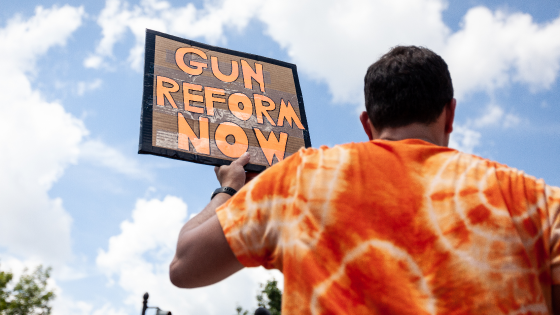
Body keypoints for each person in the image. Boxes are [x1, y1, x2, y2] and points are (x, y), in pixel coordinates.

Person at [169, 46, 560, 314]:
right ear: (450, 114)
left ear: (367, 123)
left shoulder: (300, 178)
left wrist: (231, 188)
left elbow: (185, 265)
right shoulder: (534, 200)